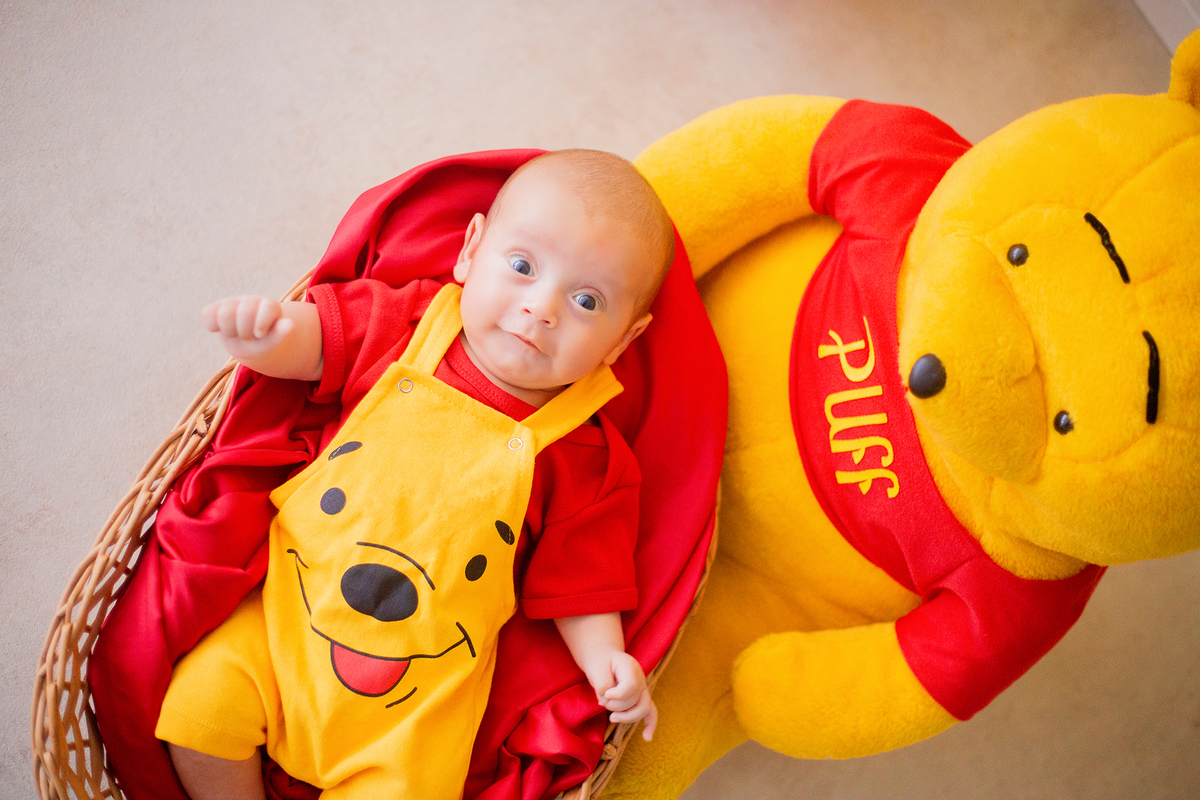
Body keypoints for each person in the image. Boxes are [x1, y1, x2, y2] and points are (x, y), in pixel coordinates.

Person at [155, 149, 674, 800]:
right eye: (521, 267)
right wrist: (268, 335)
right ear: (470, 251)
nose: (541, 308)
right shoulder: (404, 325)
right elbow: (316, 342)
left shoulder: (586, 452)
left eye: (587, 300)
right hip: (285, 630)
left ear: (624, 341)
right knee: (201, 710)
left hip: (414, 710)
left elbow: (586, 583)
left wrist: (608, 661)